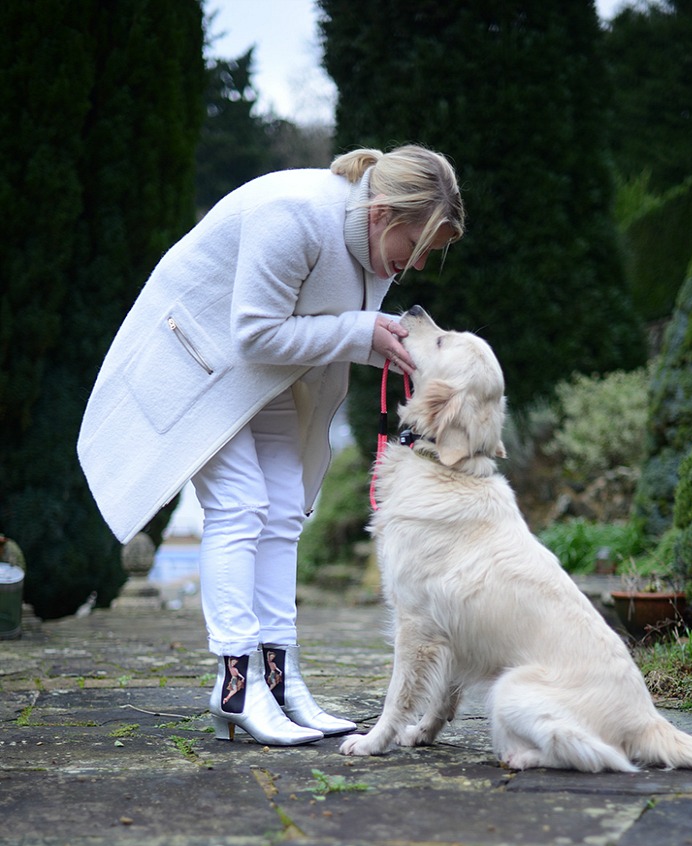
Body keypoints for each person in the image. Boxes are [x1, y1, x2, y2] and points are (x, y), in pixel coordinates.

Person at [78, 144, 465, 746]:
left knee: (284, 508)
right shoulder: (294, 214)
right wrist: (362, 331)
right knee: (240, 506)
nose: (410, 267)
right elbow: (256, 333)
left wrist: (381, 344)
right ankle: (236, 685)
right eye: (413, 249)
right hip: (200, 367)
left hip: (266, 375)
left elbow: (323, 330)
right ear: (384, 213)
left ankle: (279, 680)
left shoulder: (373, 246)